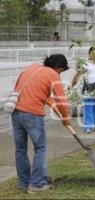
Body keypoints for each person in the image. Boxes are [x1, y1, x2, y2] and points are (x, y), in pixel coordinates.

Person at [11, 54, 70, 193]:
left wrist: (54, 108)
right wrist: (66, 117)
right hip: (32, 114)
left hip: (15, 112)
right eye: (61, 71)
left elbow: (34, 92)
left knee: (20, 149)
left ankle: (23, 183)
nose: (60, 74)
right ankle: (36, 184)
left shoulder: (32, 68)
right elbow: (61, 100)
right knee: (40, 148)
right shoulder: (53, 74)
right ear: (58, 67)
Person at [72, 46, 95, 133]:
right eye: (93, 53)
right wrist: (73, 85)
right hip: (87, 89)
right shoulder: (84, 63)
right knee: (88, 108)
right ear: (90, 53)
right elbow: (78, 74)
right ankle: (87, 127)